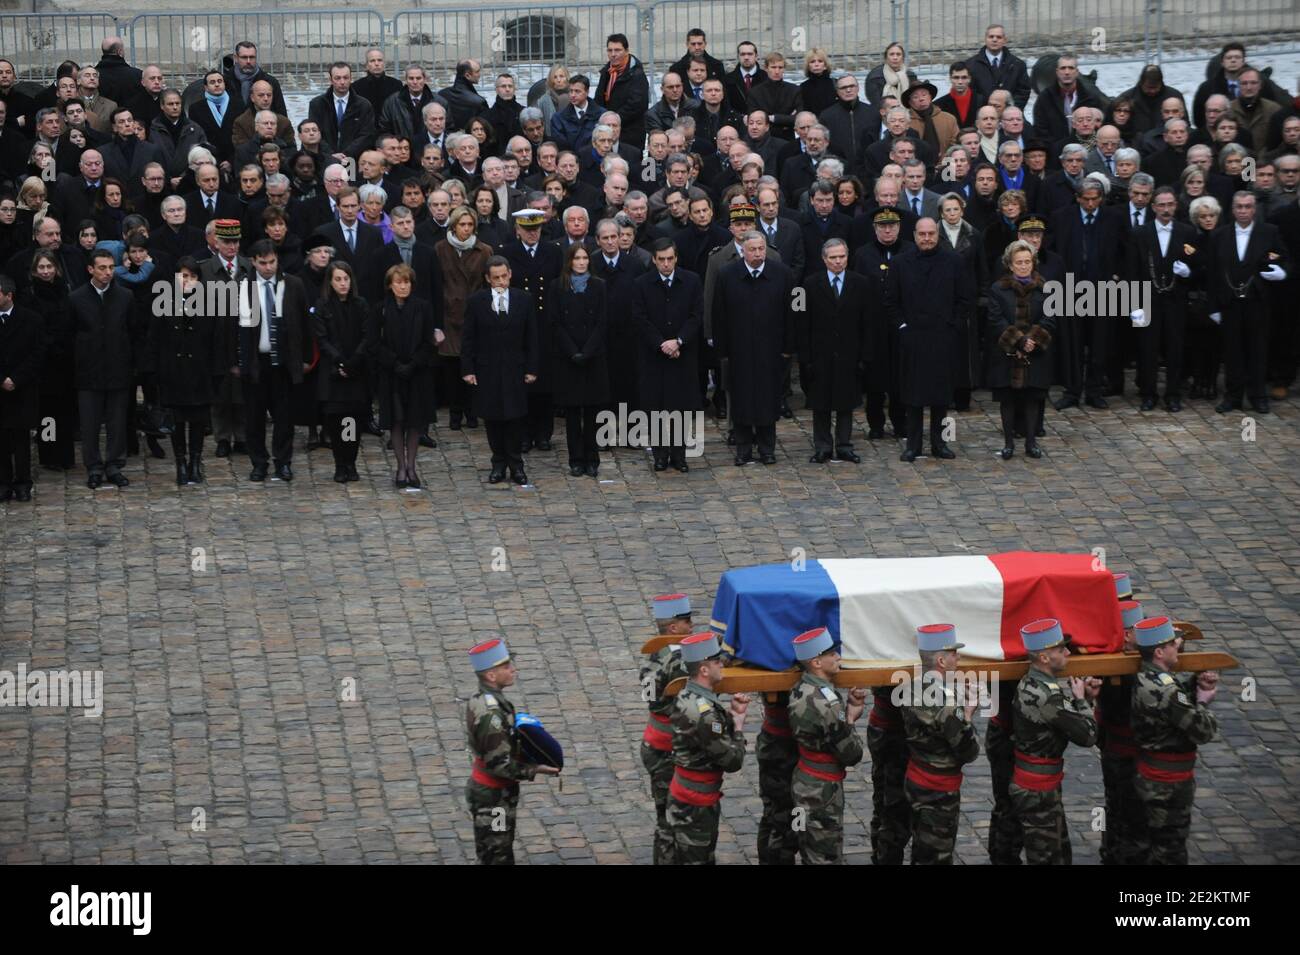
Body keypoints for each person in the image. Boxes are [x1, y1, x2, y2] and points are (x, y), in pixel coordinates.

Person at [1011, 618, 1101, 865]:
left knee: (1057, 852)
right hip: (1038, 790)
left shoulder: (1033, 684)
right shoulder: (1048, 696)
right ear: (1044, 658)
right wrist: (1083, 701)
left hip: (1038, 785)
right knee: (1048, 858)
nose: (1068, 652)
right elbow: (1088, 735)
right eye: (1061, 649)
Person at [1130, 615, 1220, 865]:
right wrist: (1203, 699)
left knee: (1153, 843)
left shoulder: (1144, 677)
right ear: (1159, 652)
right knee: (1170, 850)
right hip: (1168, 784)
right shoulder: (1168, 691)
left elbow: (1171, 704)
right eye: (1172, 644)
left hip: (1151, 773)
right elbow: (1203, 731)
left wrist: (1192, 684)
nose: (1177, 647)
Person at [464, 637, 561, 864]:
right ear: (491, 676)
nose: (513, 669)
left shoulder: (484, 700)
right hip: (493, 799)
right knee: (497, 853)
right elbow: (500, 765)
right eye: (506, 667)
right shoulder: (491, 716)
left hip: (492, 793)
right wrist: (535, 769)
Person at [885, 217, 971, 461]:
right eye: (922, 234)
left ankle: (939, 443)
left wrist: (952, 327)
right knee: (913, 396)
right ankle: (913, 444)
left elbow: (964, 299)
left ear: (937, 234)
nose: (926, 238)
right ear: (914, 236)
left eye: (931, 234)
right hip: (912, 337)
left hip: (943, 337)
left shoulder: (953, 261)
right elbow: (891, 301)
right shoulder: (901, 263)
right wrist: (902, 327)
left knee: (941, 396)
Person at [666, 631, 749, 865]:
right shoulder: (705, 713)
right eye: (716, 661)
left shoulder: (687, 694)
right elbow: (732, 761)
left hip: (688, 793)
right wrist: (739, 726)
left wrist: (731, 719)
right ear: (704, 670)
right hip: (696, 802)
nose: (721, 664)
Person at [901, 624, 980, 865]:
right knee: (937, 855)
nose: (958, 657)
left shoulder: (910, 688)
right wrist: (967, 713)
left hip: (917, 778)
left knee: (922, 847)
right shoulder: (947, 703)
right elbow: (969, 751)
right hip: (938, 790)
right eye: (954, 653)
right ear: (941, 661)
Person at [714, 232, 795, 466]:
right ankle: (743, 448)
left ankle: (767, 448)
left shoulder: (783, 274)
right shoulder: (727, 275)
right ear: (743, 251)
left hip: (771, 349)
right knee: (741, 400)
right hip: (739, 351)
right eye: (753, 250)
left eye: (761, 249)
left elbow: (793, 313)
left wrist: (788, 348)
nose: (758, 254)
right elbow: (719, 315)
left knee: (768, 400)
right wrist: (723, 352)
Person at [787, 627, 866, 864]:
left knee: (806, 843)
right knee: (825, 854)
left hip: (802, 784)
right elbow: (852, 753)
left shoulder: (799, 689)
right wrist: (851, 718)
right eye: (832, 653)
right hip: (822, 792)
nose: (838, 657)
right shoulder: (828, 703)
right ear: (817, 662)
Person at [143, 257, 224, 485]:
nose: (188, 281)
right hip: (173, 372)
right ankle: (180, 462)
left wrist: (216, 372)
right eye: (184, 276)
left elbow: (216, 340)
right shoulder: (164, 302)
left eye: (193, 276)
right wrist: (153, 372)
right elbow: (154, 339)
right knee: (176, 421)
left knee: (198, 421)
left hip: (200, 372)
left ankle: (195, 463)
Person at [237, 239, 312, 483]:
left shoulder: (293, 285)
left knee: (284, 417)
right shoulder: (241, 287)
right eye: (263, 263)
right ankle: (259, 462)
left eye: (272, 262)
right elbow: (230, 329)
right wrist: (235, 362)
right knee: (254, 418)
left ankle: (283, 461)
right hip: (255, 361)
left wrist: (305, 358)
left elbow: (304, 324)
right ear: (253, 262)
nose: (268, 267)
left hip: (284, 363)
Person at [461, 256, 539, 486]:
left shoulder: (524, 300)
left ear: (510, 274)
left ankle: (516, 464)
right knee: (493, 419)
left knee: (515, 418)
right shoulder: (477, 302)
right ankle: (498, 463)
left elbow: (532, 337)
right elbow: (468, 338)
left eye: (504, 276)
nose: (501, 282)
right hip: (488, 369)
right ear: (487, 278)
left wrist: (532, 367)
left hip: (515, 368)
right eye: (496, 278)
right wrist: (468, 368)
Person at [1210, 191, 1290, 414]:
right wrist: (1213, 306)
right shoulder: (1220, 235)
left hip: (1258, 302)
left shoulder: (1269, 232)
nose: (1243, 211)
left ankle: (1258, 396)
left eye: (1247, 207)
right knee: (1232, 351)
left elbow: (1284, 258)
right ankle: (1233, 396)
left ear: (1254, 209)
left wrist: (1281, 273)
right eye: (1239, 207)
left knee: (1258, 350)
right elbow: (1213, 273)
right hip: (1230, 302)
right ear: (1232, 209)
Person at [631, 239, 703, 472]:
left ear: (676, 258)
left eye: (669, 259)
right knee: (656, 408)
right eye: (661, 259)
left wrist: (679, 340)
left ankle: (679, 455)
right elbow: (640, 319)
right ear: (653, 259)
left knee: (680, 408)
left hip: (683, 354)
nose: (665, 264)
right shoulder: (641, 284)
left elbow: (696, 315)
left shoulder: (691, 281)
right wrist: (661, 343)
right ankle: (660, 455)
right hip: (654, 355)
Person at [1127, 186, 1200, 413]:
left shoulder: (1187, 232)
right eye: (1161, 205)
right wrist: (1133, 305)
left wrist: (1189, 272)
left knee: (1175, 349)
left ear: (1175, 206)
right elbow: (1132, 270)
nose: (1166, 209)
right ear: (1153, 207)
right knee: (1147, 348)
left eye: (1170, 205)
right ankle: (1148, 394)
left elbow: (1199, 266)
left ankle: (1173, 394)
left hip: (1176, 300)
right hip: (1146, 300)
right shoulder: (1140, 232)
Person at [799, 237, 869, 463]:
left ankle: (844, 445)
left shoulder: (860, 283)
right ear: (824, 259)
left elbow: (867, 323)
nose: (838, 262)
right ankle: (822, 445)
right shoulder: (809, 284)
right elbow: (802, 322)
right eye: (833, 258)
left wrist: (864, 355)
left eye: (842, 257)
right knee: (821, 404)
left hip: (850, 353)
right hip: (820, 354)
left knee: (845, 403)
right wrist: (805, 357)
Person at [70, 248, 134, 489]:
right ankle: (94, 466)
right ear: (90, 269)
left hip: (118, 369)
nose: (108, 272)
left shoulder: (125, 296)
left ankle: (115, 465)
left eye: (111, 267)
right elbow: (70, 335)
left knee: (117, 422)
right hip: (88, 371)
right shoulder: (76, 298)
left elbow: (133, 331)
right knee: (90, 423)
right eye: (102, 268)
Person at [986, 240, 1054, 459]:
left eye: (1027, 262)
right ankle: (1008, 444)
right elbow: (995, 320)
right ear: (1010, 264)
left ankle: (1031, 442)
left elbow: (1050, 318)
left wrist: (1032, 341)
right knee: (1008, 399)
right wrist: (1018, 341)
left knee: (1032, 398)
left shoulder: (1046, 288)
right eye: (1019, 262)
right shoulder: (998, 289)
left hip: (1036, 351)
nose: (1023, 266)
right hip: (1007, 351)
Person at [374, 263, 439, 489]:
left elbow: (428, 341)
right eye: (399, 282)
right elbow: (375, 343)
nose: (403, 287)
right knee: (396, 421)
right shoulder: (381, 309)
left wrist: (412, 363)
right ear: (390, 285)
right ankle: (400, 466)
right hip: (391, 374)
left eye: (407, 282)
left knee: (414, 421)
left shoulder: (423, 307)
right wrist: (394, 363)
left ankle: (411, 465)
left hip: (417, 373)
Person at [1094, 597, 1147, 865]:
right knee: (1130, 818)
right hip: (1125, 754)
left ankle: (1111, 855)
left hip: (1115, 749)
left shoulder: (1110, 659)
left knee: (1116, 810)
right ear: (1127, 635)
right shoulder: (1121, 670)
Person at [640, 594, 692, 865]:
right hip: (667, 750)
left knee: (666, 816)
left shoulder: (657, 652)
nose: (692, 626)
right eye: (687, 622)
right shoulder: (678, 661)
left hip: (657, 743)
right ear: (673, 628)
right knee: (670, 820)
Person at [312, 261, 375, 484]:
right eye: (338, 279)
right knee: (336, 423)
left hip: (355, 373)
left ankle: (351, 462)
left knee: (352, 423)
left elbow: (367, 336)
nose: (342, 283)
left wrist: (352, 363)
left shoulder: (361, 305)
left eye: (346, 279)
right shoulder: (323, 306)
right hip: (333, 373)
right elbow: (322, 338)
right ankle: (340, 463)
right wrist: (340, 362)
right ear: (330, 281)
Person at [551, 243, 608, 477]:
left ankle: (592, 458)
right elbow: (555, 323)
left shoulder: (599, 286)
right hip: (568, 358)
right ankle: (575, 459)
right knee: (573, 414)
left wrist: (588, 350)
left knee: (593, 412)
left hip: (593, 357)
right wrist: (572, 351)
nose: (582, 262)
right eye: (577, 258)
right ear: (570, 262)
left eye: (585, 258)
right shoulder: (558, 286)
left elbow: (603, 321)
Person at [435, 205, 493, 430]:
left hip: (474, 313)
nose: (466, 229)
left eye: (470, 225)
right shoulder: (440, 248)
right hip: (449, 314)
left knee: (472, 364)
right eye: (462, 225)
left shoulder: (484, 250)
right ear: (454, 226)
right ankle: (455, 412)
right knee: (451, 366)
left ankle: (472, 411)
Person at [0, 274, 43, 501]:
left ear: (9, 295)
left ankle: (23, 482)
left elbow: (37, 354)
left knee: (21, 439)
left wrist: (16, 378)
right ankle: (4, 481)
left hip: (22, 388)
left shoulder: (31, 319)